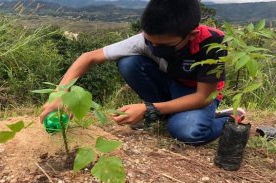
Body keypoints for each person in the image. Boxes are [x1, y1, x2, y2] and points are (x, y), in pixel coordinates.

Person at [40, 0, 245, 145]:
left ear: (190, 35)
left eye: (162, 45)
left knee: (188, 132)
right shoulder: (147, 39)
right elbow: (88, 57)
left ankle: (227, 117)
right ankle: (165, 114)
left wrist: (148, 109)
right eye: (149, 41)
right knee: (129, 63)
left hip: (197, 95)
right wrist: (60, 94)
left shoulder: (213, 43)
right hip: (169, 85)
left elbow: (203, 97)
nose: (153, 47)